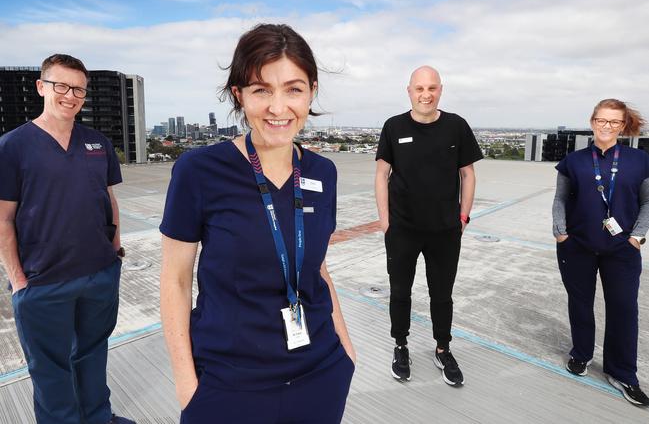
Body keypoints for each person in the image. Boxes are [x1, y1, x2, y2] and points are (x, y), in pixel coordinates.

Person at [160, 23, 355, 424]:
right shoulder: (199, 171)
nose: (278, 108)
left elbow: (317, 268)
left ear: (312, 91)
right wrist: (187, 386)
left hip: (320, 372)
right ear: (240, 95)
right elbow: (174, 280)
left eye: (294, 89)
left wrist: (346, 351)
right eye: (261, 89)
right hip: (229, 382)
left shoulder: (323, 172)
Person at [0, 54, 133, 424]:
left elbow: (109, 200)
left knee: (92, 355)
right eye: (61, 86)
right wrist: (19, 281)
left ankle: (97, 417)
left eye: (78, 89)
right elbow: (3, 219)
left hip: (99, 274)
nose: (70, 95)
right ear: (42, 87)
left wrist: (115, 253)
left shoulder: (98, 143)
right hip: (42, 281)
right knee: (50, 370)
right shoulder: (12, 146)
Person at [374, 65, 482, 386]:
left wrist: (463, 217)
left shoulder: (456, 126)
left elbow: (468, 175)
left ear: (440, 90)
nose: (426, 94)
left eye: (431, 88)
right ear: (409, 91)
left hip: (445, 231)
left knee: (442, 294)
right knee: (400, 291)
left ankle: (442, 348)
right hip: (403, 229)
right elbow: (381, 175)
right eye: (419, 88)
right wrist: (385, 221)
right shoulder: (393, 126)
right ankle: (401, 345)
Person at [553, 98, 649, 406]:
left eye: (614, 122)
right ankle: (581, 354)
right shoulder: (574, 160)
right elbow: (560, 199)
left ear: (623, 126)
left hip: (621, 249)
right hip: (577, 246)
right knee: (580, 304)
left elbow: (648, 202)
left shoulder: (640, 160)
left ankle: (622, 373)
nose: (607, 127)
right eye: (602, 120)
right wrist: (561, 233)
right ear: (593, 121)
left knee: (623, 309)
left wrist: (636, 237)